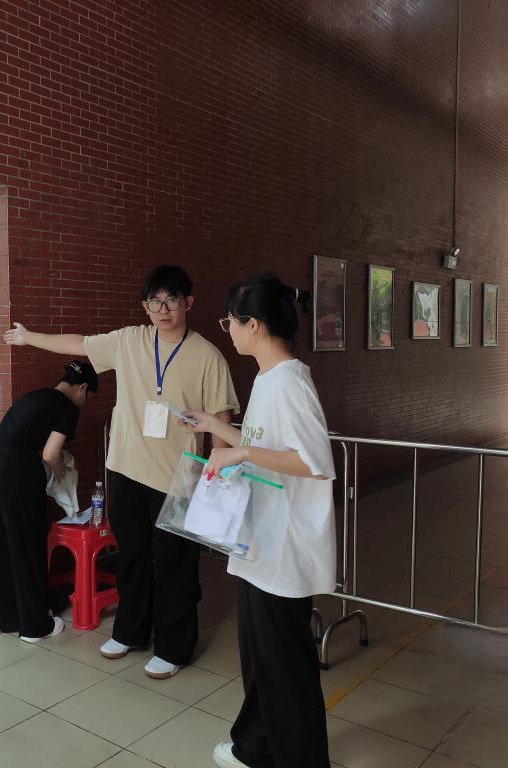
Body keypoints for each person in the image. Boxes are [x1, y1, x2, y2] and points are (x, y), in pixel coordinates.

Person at [5, 264, 239, 678]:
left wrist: (213, 474)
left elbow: (221, 417)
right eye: (154, 302)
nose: (163, 310)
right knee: (131, 556)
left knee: (175, 566)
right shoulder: (130, 340)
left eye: (171, 301)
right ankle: (131, 631)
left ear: (188, 302)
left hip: (178, 477)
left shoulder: (208, 356)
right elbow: (78, 342)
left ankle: (174, 647)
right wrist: (28, 337)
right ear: (144, 306)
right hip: (126, 469)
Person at [181, 273, 335, 768]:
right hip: (261, 543)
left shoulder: (289, 381)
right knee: (261, 658)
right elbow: (263, 443)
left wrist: (241, 451)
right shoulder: (269, 378)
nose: (227, 329)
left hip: (283, 549)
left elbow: (314, 462)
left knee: (283, 665)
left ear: (253, 324)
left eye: (229, 320)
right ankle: (255, 747)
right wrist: (216, 427)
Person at [0, 360, 99, 642]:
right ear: (82, 387)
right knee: (27, 543)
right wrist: (60, 470)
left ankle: (10, 618)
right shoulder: (67, 408)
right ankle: (35, 626)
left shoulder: (36, 396)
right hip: (16, 469)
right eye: (88, 396)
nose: (85, 402)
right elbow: (50, 454)